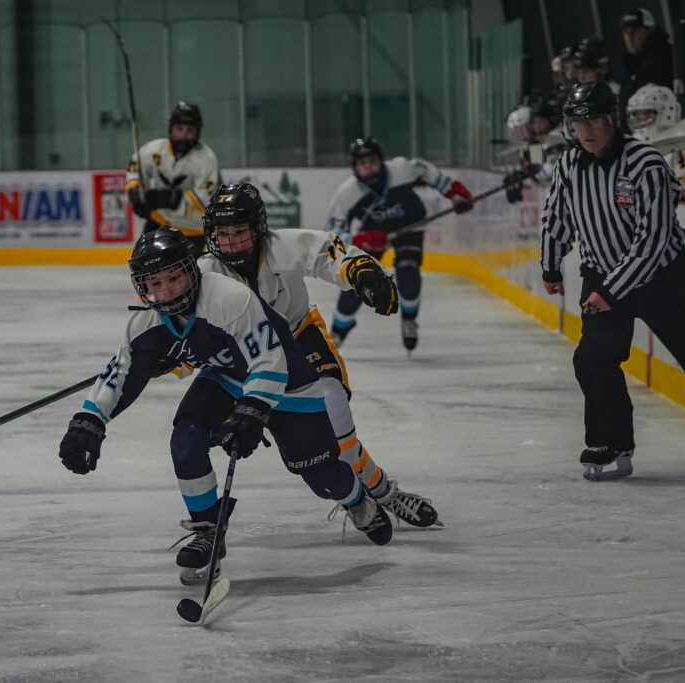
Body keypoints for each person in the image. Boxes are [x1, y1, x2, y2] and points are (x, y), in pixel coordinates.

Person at [58, 228, 394, 583]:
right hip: (228, 378)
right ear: (142, 287)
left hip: (293, 383)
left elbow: (269, 361)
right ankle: (207, 531)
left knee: (321, 476)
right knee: (186, 437)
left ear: (192, 270)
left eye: (174, 277)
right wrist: (89, 418)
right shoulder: (146, 323)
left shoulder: (229, 298)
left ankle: (358, 500)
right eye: (154, 283)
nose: (167, 290)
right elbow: (121, 372)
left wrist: (252, 409)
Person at [539, 80, 685, 481]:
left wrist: (610, 291)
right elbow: (556, 217)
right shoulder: (568, 164)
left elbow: (653, 240)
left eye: (595, 119)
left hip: (665, 279)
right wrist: (551, 265)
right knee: (592, 359)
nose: (587, 130)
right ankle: (612, 444)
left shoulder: (646, 163)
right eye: (579, 122)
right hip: (601, 276)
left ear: (612, 120)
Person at [193, 182, 440, 534]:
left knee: (335, 413)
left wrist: (362, 272)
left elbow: (328, 253)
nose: (231, 242)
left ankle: (384, 492)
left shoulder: (282, 246)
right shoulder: (205, 271)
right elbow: (183, 321)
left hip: (299, 335)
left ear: (259, 228)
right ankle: (355, 492)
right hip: (245, 357)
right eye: (223, 233)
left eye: (240, 232)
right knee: (315, 448)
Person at [326, 137, 475, 353]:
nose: (368, 167)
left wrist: (453, 192)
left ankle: (409, 320)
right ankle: (339, 331)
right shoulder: (347, 194)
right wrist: (361, 240)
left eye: (372, 161)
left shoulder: (402, 170)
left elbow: (427, 172)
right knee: (358, 279)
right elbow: (334, 235)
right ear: (355, 167)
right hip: (373, 233)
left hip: (409, 225)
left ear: (381, 161)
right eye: (362, 163)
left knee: (408, 269)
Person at [125, 102, 220, 252]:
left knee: (185, 273)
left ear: (198, 132)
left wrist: (171, 199)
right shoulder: (154, 149)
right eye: (179, 129)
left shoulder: (206, 159)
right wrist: (135, 191)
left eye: (190, 130)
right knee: (144, 265)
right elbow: (135, 168)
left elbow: (205, 199)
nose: (183, 135)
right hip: (159, 220)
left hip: (193, 229)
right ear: (171, 129)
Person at [618, 8, 674, 125]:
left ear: (649, 31)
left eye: (635, 31)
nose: (630, 37)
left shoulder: (664, 58)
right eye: (626, 32)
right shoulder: (632, 64)